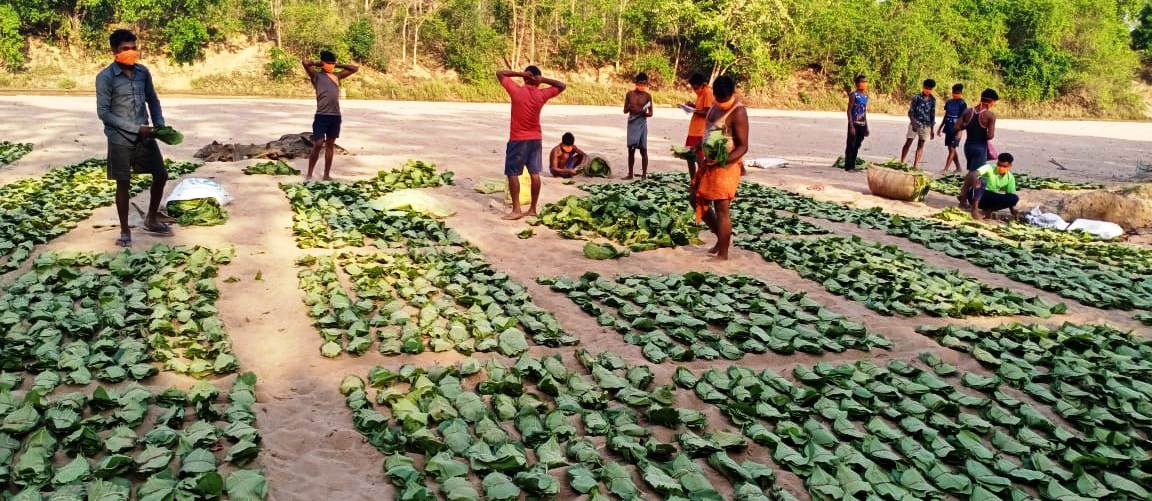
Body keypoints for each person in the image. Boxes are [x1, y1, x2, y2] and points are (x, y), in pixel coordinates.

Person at [96, 29, 171, 248]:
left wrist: (159, 123)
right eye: (125, 49)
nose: (131, 53)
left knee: (161, 174)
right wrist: (135, 129)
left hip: (146, 136)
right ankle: (125, 230)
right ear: (114, 51)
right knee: (123, 183)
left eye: (133, 48)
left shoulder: (142, 73)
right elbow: (104, 113)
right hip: (120, 138)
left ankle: (151, 218)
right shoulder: (105, 78)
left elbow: (153, 100)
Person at [496, 66, 567, 220]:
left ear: (525, 78)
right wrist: (544, 80)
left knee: (512, 173)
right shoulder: (542, 94)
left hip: (518, 139)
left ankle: (516, 210)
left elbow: (499, 73)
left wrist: (520, 73)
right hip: (536, 139)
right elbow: (562, 86)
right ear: (538, 81)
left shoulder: (516, 90)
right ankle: (533, 209)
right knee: (534, 174)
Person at [691, 75, 747, 261]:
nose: (721, 102)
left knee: (721, 208)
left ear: (733, 93)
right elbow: (709, 131)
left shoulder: (738, 112)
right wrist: (699, 145)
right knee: (694, 198)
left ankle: (723, 252)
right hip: (708, 163)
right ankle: (719, 237)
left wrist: (722, 161)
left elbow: (742, 146)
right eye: (718, 98)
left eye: (724, 99)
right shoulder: (714, 106)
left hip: (726, 166)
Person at [303, 51, 358, 181]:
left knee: (330, 145)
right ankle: (310, 174)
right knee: (318, 143)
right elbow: (305, 63)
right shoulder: (316, 76)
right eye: (329, 63)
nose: (331, 66)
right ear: (323, 63)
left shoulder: (337, 76)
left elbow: (354, 68)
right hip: (321, 115)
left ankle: (326, 175)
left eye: (333, 63)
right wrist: (320, 63)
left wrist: (336, 65)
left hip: (335, 116)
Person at [955, 88, 999, 175]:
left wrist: (968, 126)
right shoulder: (990, 115)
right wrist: (981, 134)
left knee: (971, 171)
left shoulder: (967, 111)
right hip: (980, 147)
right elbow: (990, 135)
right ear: (992, 101)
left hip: (968, 147)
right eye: (994, 102)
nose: (994, 104)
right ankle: (969, 188)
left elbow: (956, 127)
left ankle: (969, 188)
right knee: (977, 174)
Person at [964, 152, 1019, 220]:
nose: (1001, 168)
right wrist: (976, 180)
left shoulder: (1010, 178)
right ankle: (974, 210)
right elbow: (973, 174)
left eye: (1004, 166)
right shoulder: (989, 168)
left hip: (990, 198)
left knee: (1014, 198)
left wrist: (1012, 210)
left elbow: (1009, 194)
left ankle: (988, 211)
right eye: (999, 165)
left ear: (1010, 165)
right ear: (997, 163)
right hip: (976, 195)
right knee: (982, 181)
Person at [899, 79, 937, 167]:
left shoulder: (933, 100)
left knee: (921, 144)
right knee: (909, 141)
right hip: (915, 123)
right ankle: (902, 162)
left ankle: (915, 165)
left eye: (930, 89)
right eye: (926, 88)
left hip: (926, 125)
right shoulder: (916, 97)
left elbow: (932, 114)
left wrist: (932, 129)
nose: (928, 90)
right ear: (923, 87)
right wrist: (913, 123)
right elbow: (910, 112)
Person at [683, 73, 714, 178]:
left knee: (698, 158)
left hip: (700, 131)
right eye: (693, 87)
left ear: (703, 84)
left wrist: (694, 110)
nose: (694, 90)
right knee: (689, 156)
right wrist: (692, 106)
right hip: (693, 130)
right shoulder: (700, 94)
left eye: (696, 87)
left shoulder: (708, 93)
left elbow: (707, 113)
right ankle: (693, 180)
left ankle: (700, 181)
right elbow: (701, 108)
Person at [623, 72, 653, 180]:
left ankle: (644, 175)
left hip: (641, 123)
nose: (642, 86)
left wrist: (645, 113)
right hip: (632, 122)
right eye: (640, 83)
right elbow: (625, 110)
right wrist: (630, 108)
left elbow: (651, 113)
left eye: (644, 84)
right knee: (631, 149)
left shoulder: (648, 96)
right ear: (636, 83)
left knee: (643, 149)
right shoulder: (629, 94)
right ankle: (630, 174)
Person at [938, 83, 967, 174]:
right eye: (954, 93)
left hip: (957, 129)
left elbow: (963, 119)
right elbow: (946, 115)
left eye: (958, 93)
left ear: (961, 93)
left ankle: (945, 169)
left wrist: (960, 131)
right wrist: (940, 127)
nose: (955, 94)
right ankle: (958, 167)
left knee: (952, 149)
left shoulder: (963, 104)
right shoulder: (949, 102)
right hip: (948, 127)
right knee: (951, 149)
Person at [843, 75, 869, 171]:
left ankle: (853, 165)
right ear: (857, 84)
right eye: (862, 82)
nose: (864, 83)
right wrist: (851, 126)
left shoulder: (866, 96)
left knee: (857, 145)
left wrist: (866, 127)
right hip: (854, 123)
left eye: (865, 82)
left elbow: (864, 111)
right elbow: (849, 110)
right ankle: (848, 166)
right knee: (851, 144)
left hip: (862, 124)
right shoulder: (853, 95)